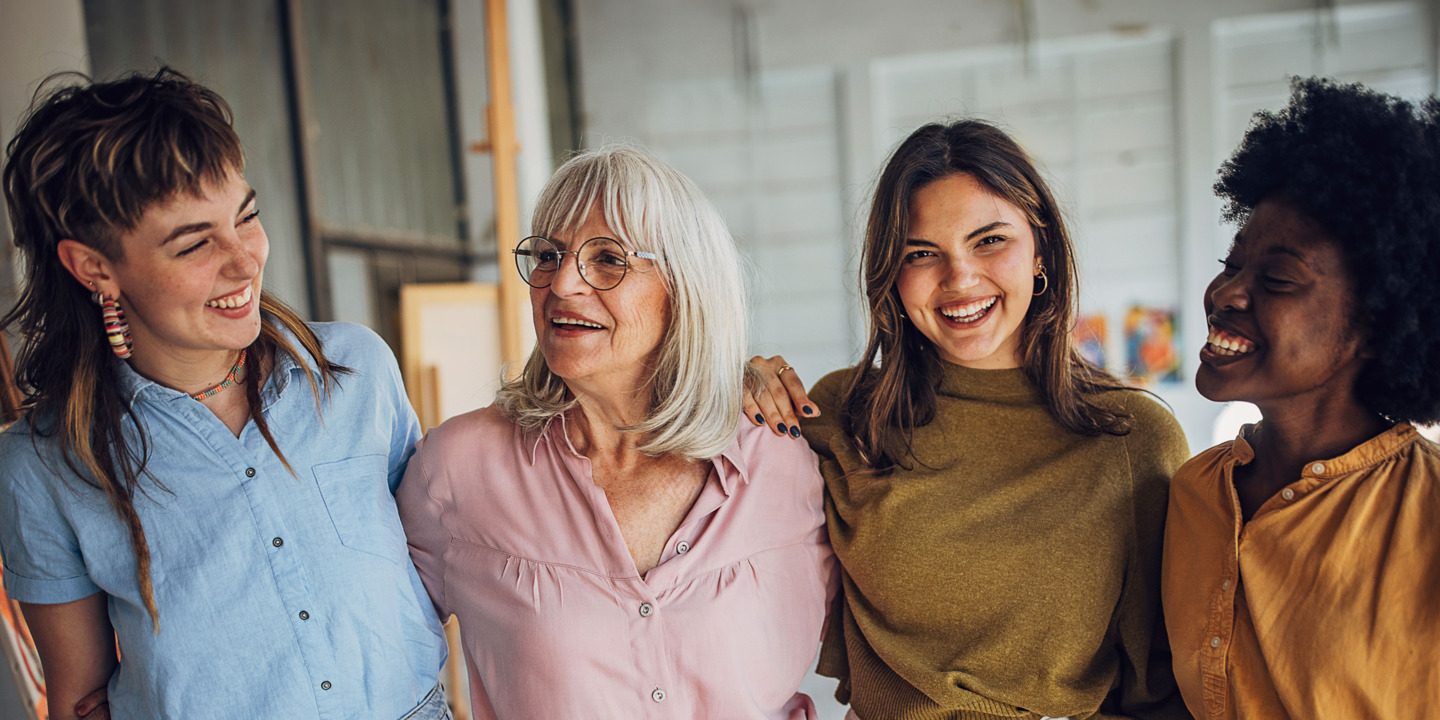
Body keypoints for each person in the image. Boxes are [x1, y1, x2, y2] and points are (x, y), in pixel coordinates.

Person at [0, 69, 449, 719]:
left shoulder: (356, 370)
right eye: (194, 244)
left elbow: (443, 565)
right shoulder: (43, 469)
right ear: (94, 267)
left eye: (247, 218)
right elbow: (80, 701)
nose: (244, 261)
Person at [749, 119, 1190, 719]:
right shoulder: (845, 416)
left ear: (1042, 252)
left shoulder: (1130, 438)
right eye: (922, 253)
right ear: (891, 278)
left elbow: (1163, 692)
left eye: (989, 240)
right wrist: (729, 394)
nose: (959, 279)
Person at [394, 146, 835, 719]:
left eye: (608, 259)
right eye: (549, 256)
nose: (562, 286)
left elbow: (891, 651)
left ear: (685, 285)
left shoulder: (788, 460)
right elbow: (376, 662)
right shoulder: (454, 471)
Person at [1161, 78, 1440, 719]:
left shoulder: (1425, 517)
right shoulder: (1195, 493)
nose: (1226, 293)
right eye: (1233, 262)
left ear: (1377, 322)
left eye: (1278, 278)